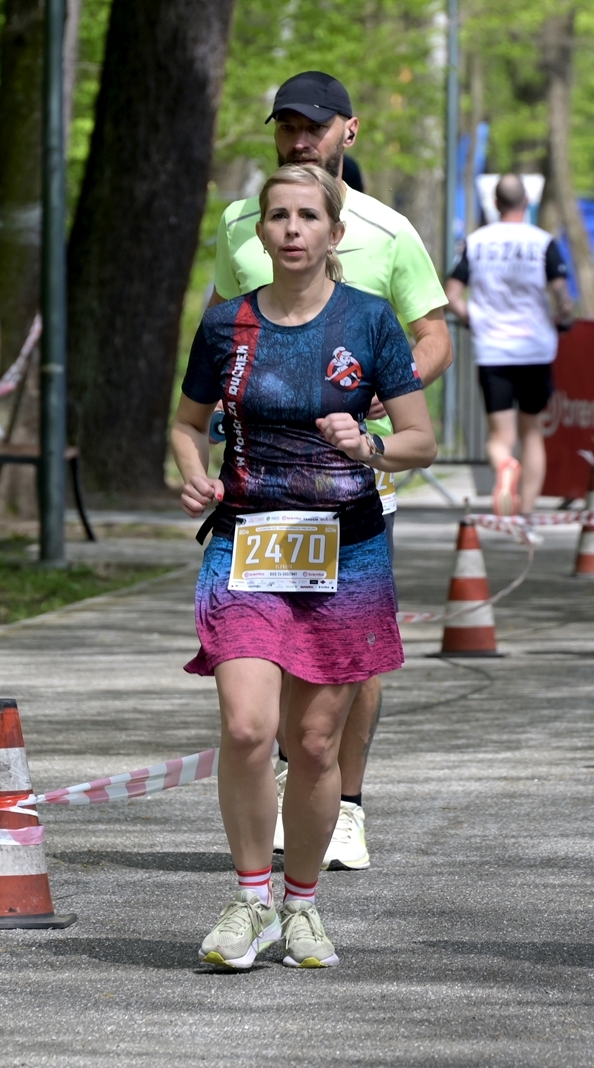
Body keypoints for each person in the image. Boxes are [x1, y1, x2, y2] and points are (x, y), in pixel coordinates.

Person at [174, 166, 437, 969]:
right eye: (278, 216)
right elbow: (186, 425)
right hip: (246, 541)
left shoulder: (370, 320)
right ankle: (249, 901)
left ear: (333, 232)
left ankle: (302, 907)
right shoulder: (226, 325)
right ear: (260, 232)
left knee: (316, 744)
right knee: (247, 728)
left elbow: (421, 440)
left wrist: (371, 446)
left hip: (345, 551)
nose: (292, 229)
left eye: (307, 217)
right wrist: (193, 473)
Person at [210, 71, 451, 871]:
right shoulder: (241, 223)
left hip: (353, 472)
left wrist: (384, 395)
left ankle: (346, 803)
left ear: (350, 131)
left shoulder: (387, 230)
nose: (300, 139)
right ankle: (293, 779)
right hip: (260, 485)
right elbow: (227, 329)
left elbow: (435, 336)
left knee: (352, 648)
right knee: (265, 643)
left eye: (314, 126)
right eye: (287, 126)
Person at [444, 174, 574, 518]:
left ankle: (504, 465)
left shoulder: (476, 242)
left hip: (493, 351)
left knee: (500, 437)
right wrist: (563, 315)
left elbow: (451, 295)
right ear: (527, 202)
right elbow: (562, 297)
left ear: (495, 204)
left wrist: (473, 319)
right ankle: (526, 515)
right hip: (535, 349)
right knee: (532, 434)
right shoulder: (542, 242)